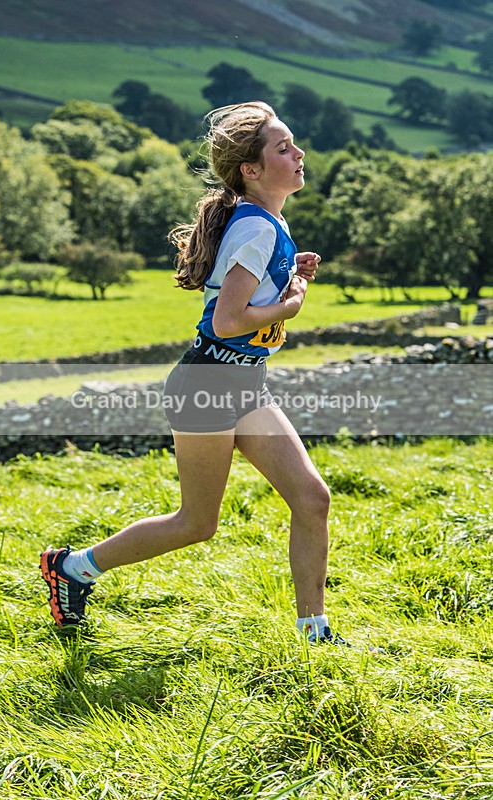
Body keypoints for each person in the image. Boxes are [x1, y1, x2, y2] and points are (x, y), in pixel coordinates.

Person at [40, 101, 351, 647]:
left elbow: (239, 309)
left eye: (293, 143)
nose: (298, 154)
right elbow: (230, 321)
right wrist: (289, 307)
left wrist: (288, 283)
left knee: (311, 498)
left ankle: (314, 634)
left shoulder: (266, 222)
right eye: (283, 148)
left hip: (240, 382)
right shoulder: (256, 227)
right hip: (209, 384)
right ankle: (72, 568)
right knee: (196, 523)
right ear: (250, 170)